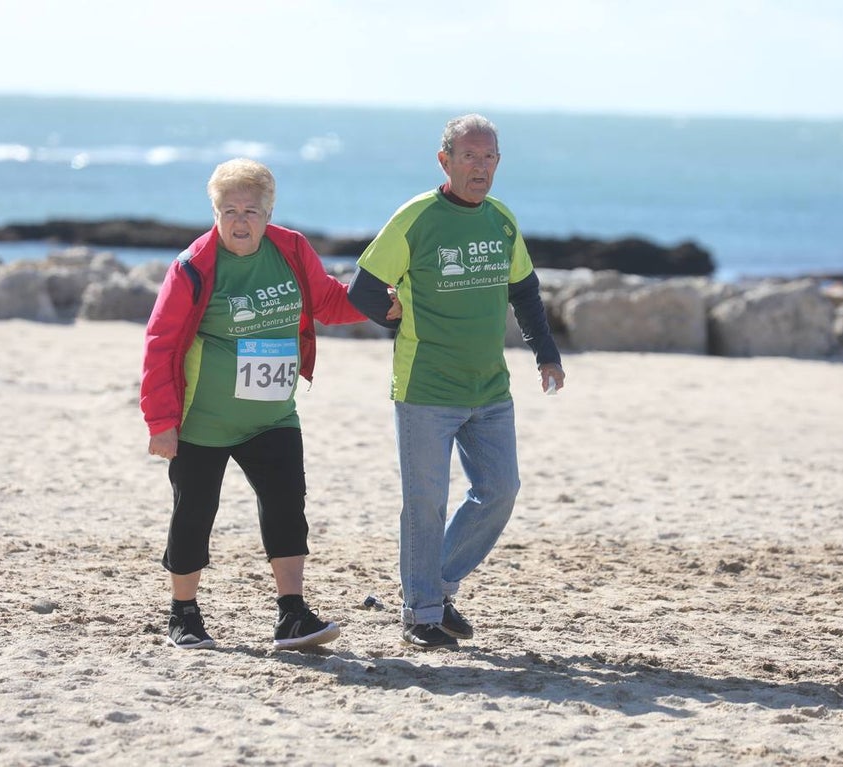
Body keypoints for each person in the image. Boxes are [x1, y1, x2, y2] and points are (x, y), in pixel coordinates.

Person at [141, 158, 394, 651]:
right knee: (193, 514)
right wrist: (161, 422)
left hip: (273, 413)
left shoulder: (292, 249)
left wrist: (382, 304)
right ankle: (184, 615)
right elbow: (161, 343)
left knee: (286, 507)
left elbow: (326, 301)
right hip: (203, 421)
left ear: (269, 211)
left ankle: (292, 615)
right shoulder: (193, 267)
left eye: (252, 211)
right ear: (214, 212)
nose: (241, 221)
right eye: (229, 210)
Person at [347, 114, 566, 650]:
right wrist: (398, 320)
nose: (480, 166)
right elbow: (364, 290)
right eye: (469, 156)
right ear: (444, 161)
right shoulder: (417, 218)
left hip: (489, 388)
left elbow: (525, 292)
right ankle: (422, 613)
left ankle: (435, 585)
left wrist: (546, 354)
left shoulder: (501, 220)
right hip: (426, 387)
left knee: (500, 490)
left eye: (489, 157)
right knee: (425, 503)